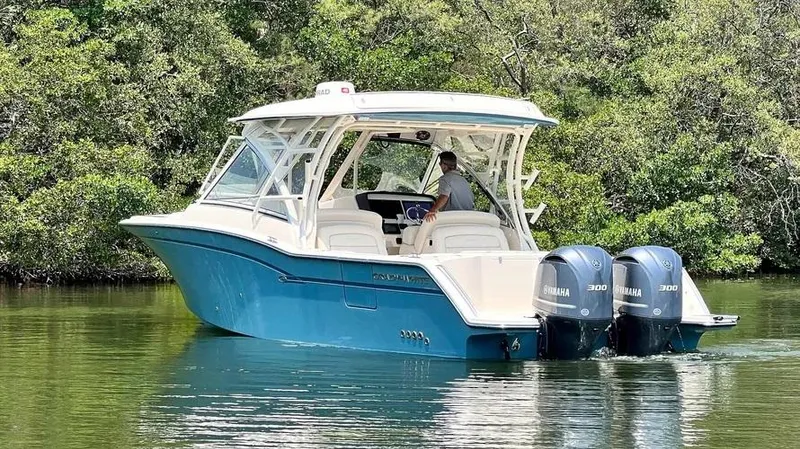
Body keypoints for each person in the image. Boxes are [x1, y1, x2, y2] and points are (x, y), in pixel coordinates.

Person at [424, 151, 474, 222]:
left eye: (440, 163)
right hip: (468, 219)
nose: (440, 165)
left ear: (444, 165)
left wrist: (432, 211)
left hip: (452, 219)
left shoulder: (445, 179)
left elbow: (444, 196)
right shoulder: (464, 180)